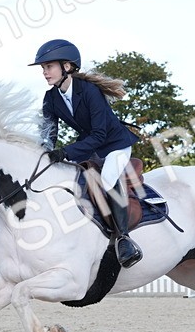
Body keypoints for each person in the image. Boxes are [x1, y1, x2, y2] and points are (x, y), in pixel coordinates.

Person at [33, 38, 142, 268]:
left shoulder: (90, 92)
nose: (45, 72)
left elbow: (99, 136)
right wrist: (44, 152)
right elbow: (49, 132)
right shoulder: (50, 98)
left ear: (67, 67)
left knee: (107, 178)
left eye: (49, 67)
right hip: (89, 145)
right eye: (43, 68)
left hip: (115, 144)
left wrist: (66, 152)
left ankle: (123, 238)